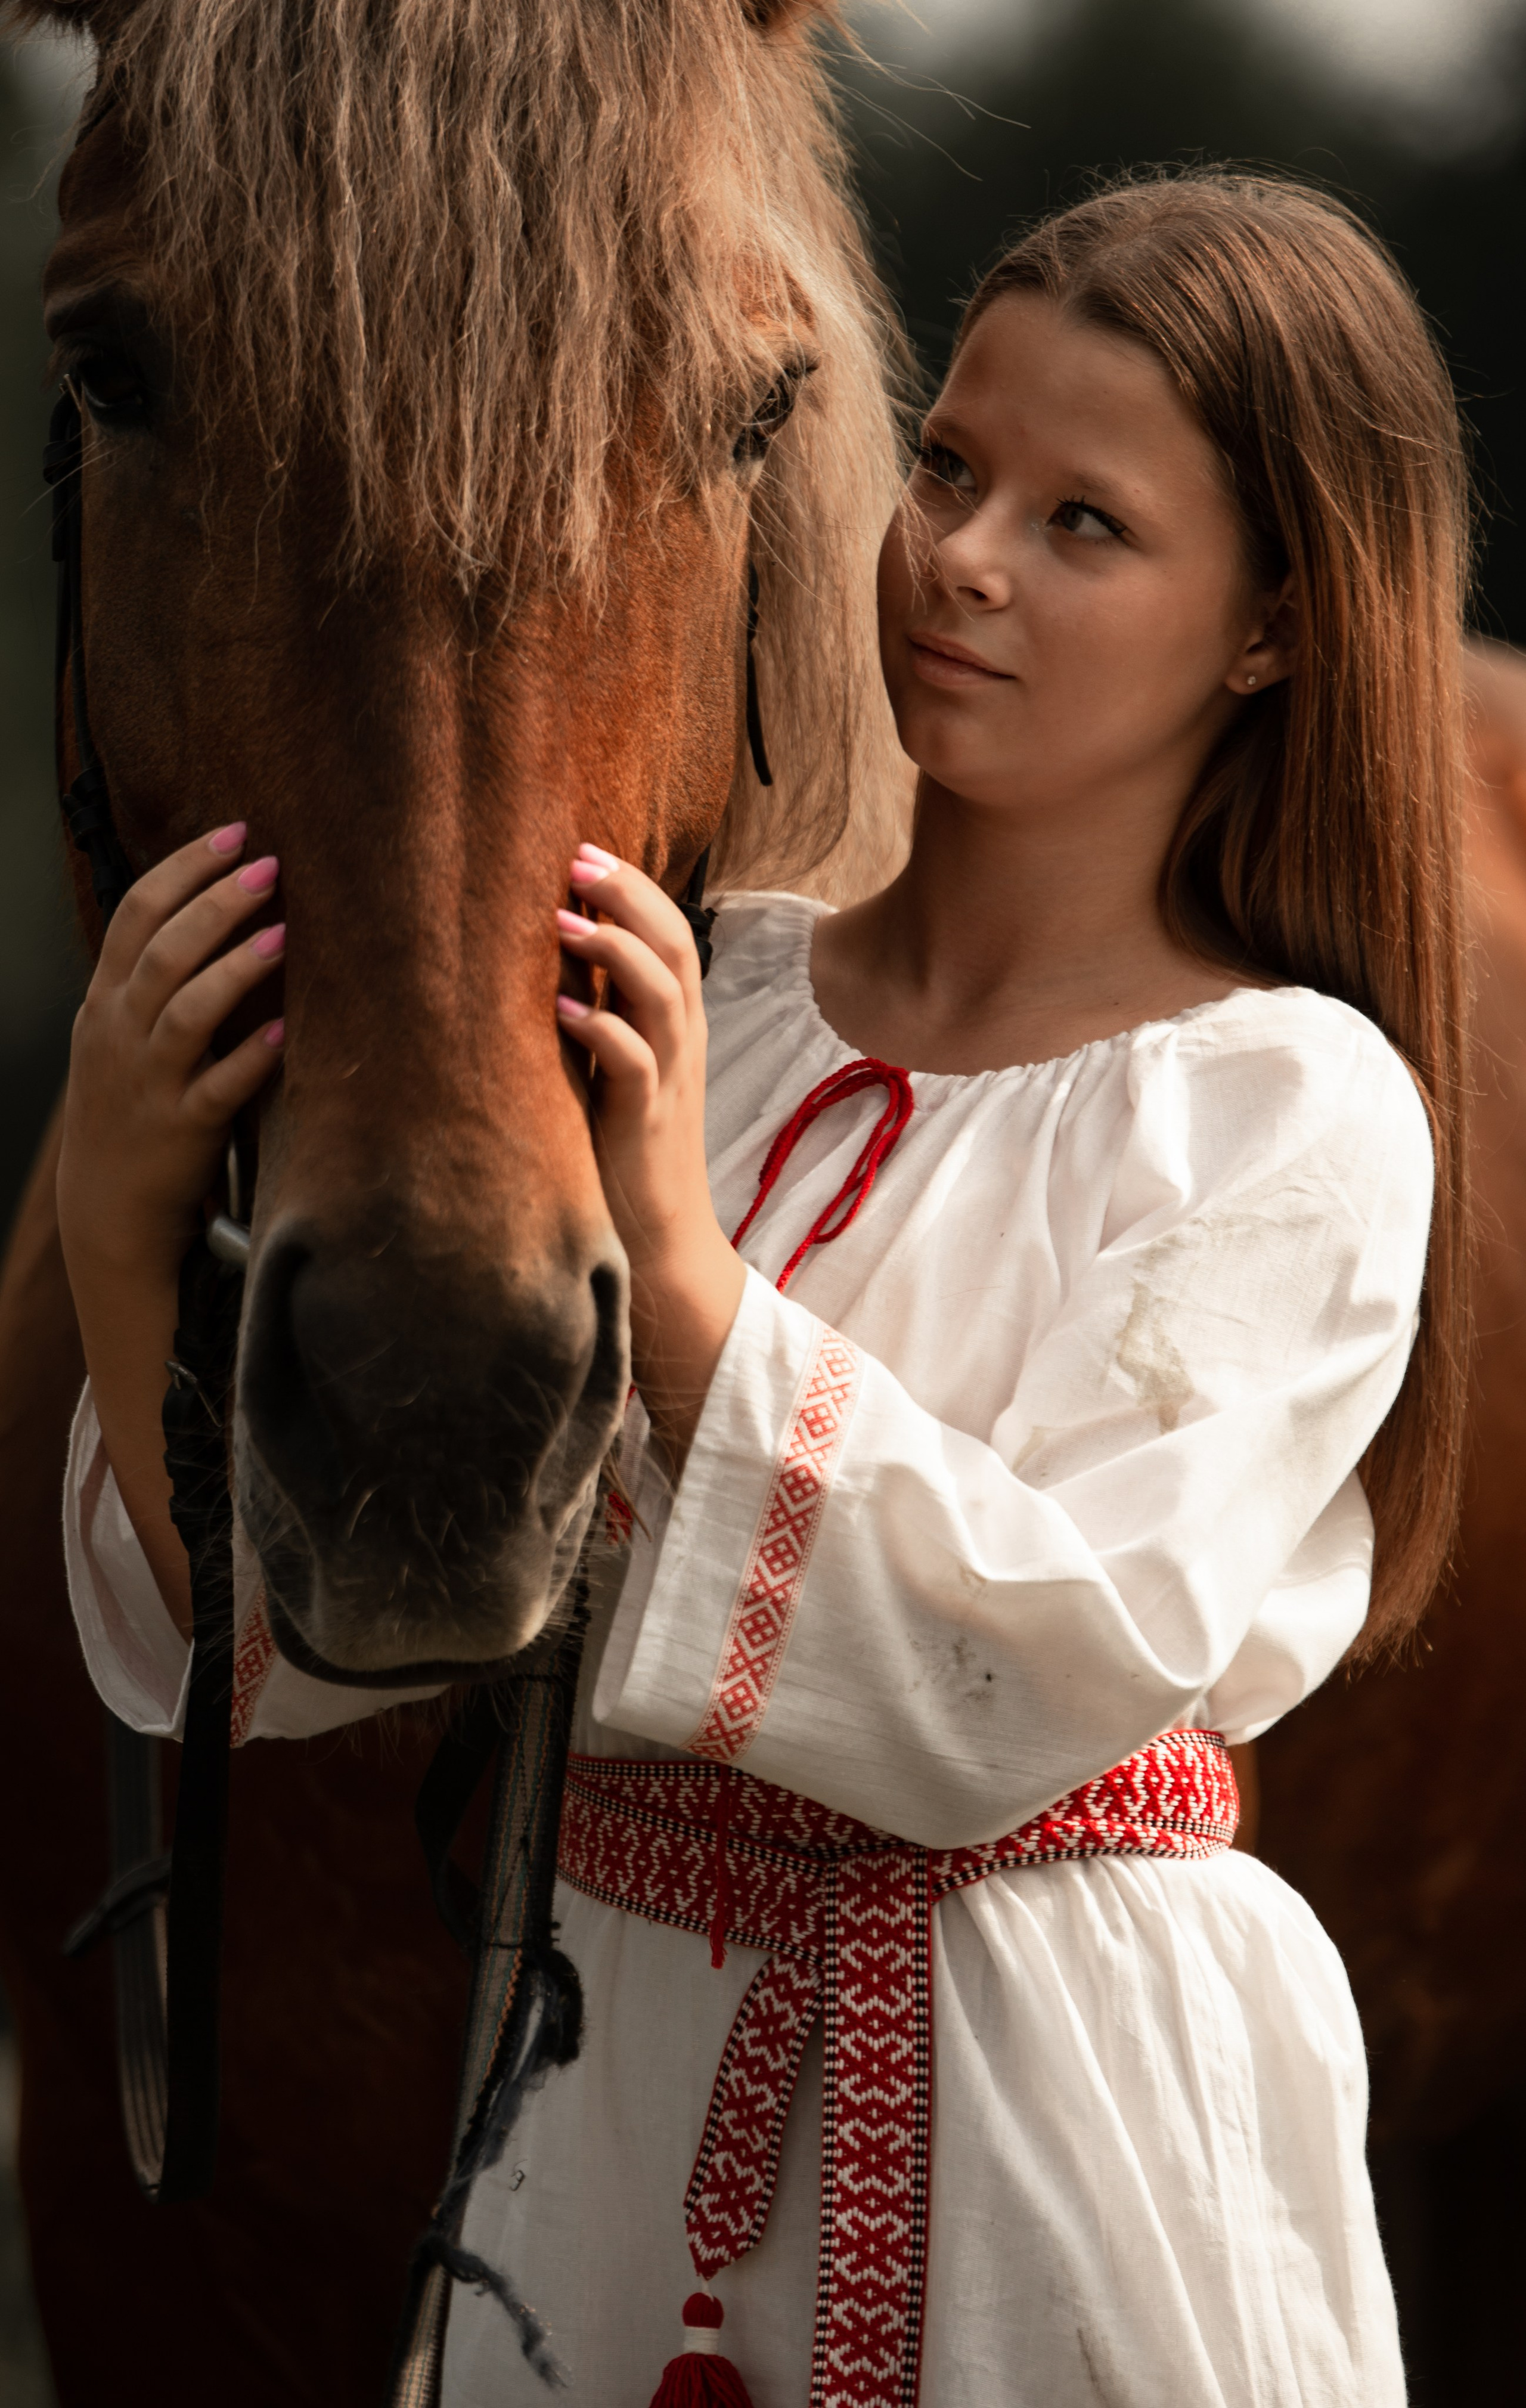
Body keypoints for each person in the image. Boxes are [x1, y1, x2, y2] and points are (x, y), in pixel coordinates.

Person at [59, 170, 1467, 2405]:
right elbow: (296, 1656)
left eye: (1085, 526)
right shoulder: (716, 998)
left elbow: (1049, 1670)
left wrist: (696, 1286)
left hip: (1040, 2107)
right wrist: (127, 1220)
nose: (962, 561)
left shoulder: (1286, 1113)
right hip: (604, 2075)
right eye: (947, 467)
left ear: (1274, 626)